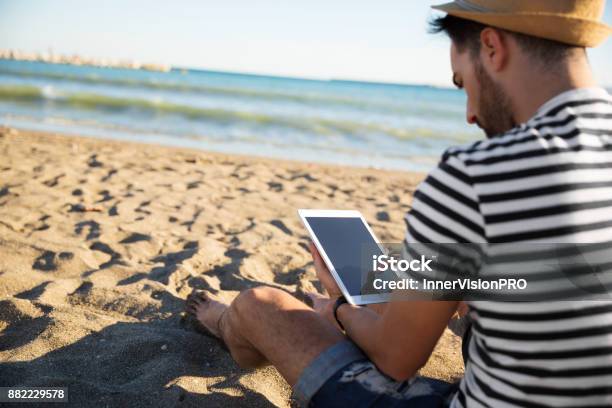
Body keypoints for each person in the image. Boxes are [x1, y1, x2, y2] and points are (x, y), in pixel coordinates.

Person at [185, 1, 612, 406]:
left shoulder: (476, 172)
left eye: (463, 84)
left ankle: (227, 323)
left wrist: (337, 309)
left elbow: (397, 359)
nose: (469, 114)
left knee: (262, 306)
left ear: (491, 47)